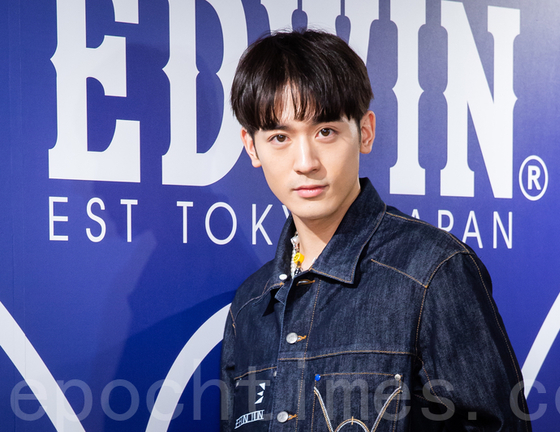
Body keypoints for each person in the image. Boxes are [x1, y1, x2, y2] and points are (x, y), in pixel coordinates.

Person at [221, 29, 531, 431]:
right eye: (280, 137)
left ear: (364, 132)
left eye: (325, 131)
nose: (306, 162)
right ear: (252, 147)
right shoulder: (249, 306)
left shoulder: (432, 272)